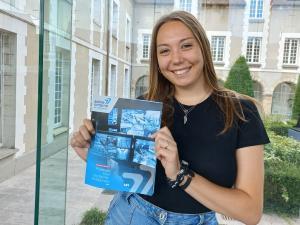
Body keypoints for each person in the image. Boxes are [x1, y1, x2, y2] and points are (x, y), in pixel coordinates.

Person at [70, 11, 270, 225]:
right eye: (165, 51)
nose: (176, 59)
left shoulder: (241, 112)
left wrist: (180, 174)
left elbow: (250, 212)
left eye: (186, 46)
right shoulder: (144, 107)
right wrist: (93, 155)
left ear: (203, 47)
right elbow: (126, 175)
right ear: (157, 59)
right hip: (130, 214)